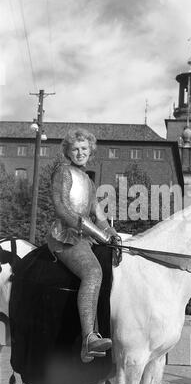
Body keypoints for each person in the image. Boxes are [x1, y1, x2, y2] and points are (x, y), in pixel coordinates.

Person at [47, 128, 120, 363]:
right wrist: (97, 233)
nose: (80, 153)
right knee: (92, 271)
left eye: (84, 149)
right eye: (75, 149)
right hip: (66, 236)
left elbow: (99, 215)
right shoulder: (63, 172)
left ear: (91, 152)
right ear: (68, 151)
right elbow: (62, 208)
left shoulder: (88, 182)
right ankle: (89, 339)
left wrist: (112, 234)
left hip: (85, 237)